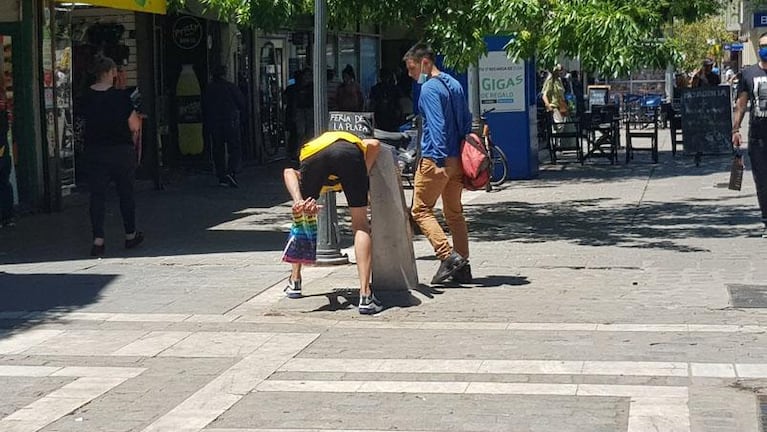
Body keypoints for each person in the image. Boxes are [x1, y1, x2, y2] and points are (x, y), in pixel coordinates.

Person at [282, 131, 383, 314]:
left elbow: (289, 171)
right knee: (360, 224)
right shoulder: (350, 141)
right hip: (349, 152)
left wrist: (298, 201)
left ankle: (295, 282)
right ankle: (365, 296)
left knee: (302, 221)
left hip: (315, 155)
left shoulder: (311, 150)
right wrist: (363, 173)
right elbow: (375, 144)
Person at [402, 43, 472, 284]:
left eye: (412, 68)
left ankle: (448, 256)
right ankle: (463, 265)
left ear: (425, 63)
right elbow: (466, 120)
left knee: (420, 210)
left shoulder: (429, 89)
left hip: (436, 158)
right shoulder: (454, 84)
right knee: (454, 213)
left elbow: (437, 125)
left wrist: (440, 159)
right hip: (457, 158)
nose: (410, 74)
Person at [81, 55, 143, 256]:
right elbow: (134, 125)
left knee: (97, 196)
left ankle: (98, 240)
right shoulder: (120, 97)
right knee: (125, 193)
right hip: (120, 151)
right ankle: (130, 235)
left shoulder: (85, 97)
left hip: (95, 151)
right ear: (109, 72)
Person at [732, 31, 767, 239]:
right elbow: (741, 105)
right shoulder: (749, 74)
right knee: (763, 181)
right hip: (758, 137)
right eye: (763, 45)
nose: (765, 49)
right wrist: (736, 129)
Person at [202, 64, 246, 187]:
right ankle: (231, 172)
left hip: (214, 122)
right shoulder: (230, 87)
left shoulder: (209, 89)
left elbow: (204, 106)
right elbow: (241, 102)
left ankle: (221, 175)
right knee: (235, 148)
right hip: (230, 121)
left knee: (218, 148)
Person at [283, 69, 303, 161]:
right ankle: (293, 152)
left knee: (293, 134)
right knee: (296, 133)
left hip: (290, 112)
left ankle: (291, 152)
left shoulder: (290, 88)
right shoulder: (298, 89)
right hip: (295, 112)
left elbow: (285, 99)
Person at [0, 109, 14, 228]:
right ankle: (8, 217)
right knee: (5, 185)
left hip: (2, 156)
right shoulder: (4, 115)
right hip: (5, 156)